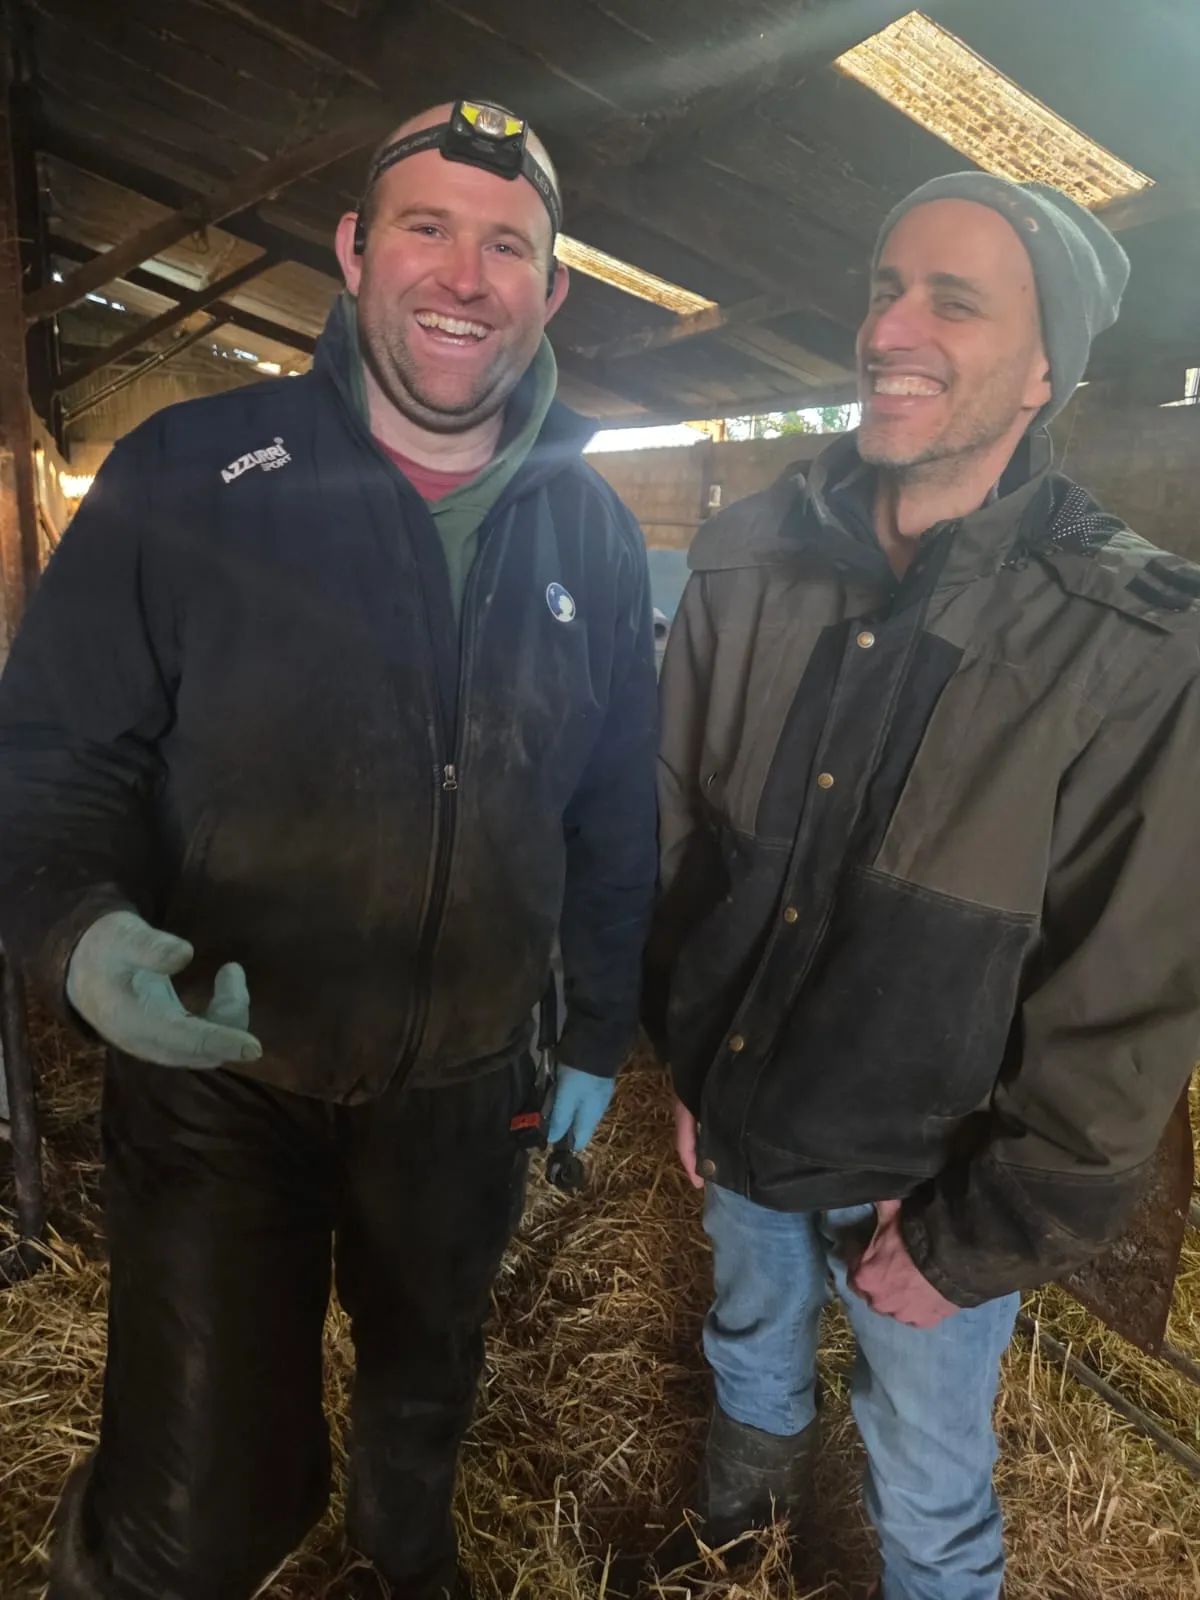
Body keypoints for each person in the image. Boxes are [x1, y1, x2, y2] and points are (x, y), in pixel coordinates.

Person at [0, 99, 658, 1600]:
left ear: (550, 292)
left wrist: (594, 1035)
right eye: (427, 227)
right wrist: (80, 935)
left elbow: (615, 809)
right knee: (200, 1505)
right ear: (356, 252)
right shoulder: (186, 477)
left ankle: (400, 1566)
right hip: (228, 1076)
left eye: (509, 247)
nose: (465, 275)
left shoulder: (595, 539)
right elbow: (50, 757)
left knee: (425, 1395)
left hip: (466, 1080)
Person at [650, 172, 1200, 1599]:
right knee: (749, 1338)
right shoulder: (747, 565)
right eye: (886, 287)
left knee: (932, 1471)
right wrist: (689, 1056)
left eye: (954, 299)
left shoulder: (1131, 646)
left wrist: (984, 1234)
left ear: (1041, 372)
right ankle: (737, 1524)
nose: (893, 324)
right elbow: (679, 841)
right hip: (750, 1112)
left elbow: (1126, 993)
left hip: (928, 1185)